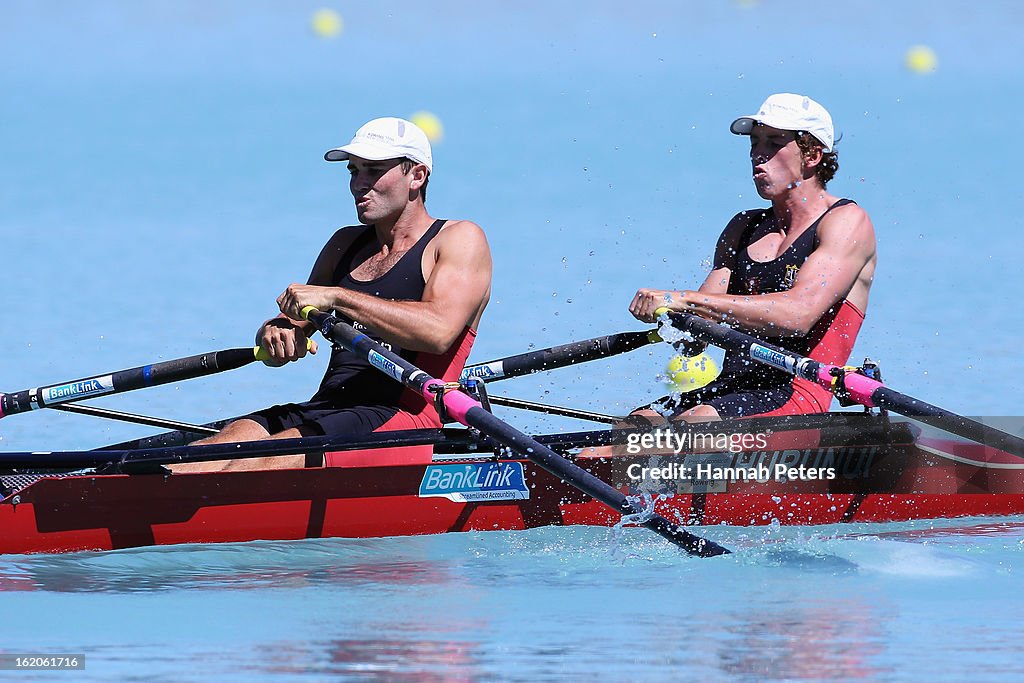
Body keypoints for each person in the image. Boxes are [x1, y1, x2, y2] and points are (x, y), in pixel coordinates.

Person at [176, 117, 491, 471]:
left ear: (416, 176)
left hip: (402, 418)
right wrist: (278, 331)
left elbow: (438, 332)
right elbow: (294, 321)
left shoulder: (458, 239)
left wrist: (339, 298)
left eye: (373, 171)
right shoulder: (344, 244)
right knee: (222, 444)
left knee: (257, 459)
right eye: (354, 171)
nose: (359, 184)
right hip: (327, 409)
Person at [628, 93, 876, 422]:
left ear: (813, 155)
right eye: (755, 143)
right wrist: (678, 324)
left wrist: (682, 300)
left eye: (774, 143)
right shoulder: (743, 227)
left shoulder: (845, 222)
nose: (759, 155)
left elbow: (798, 316)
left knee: (696, 422)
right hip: (730, 391)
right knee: (635, 424)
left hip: (798, 395)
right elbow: (705, 318)